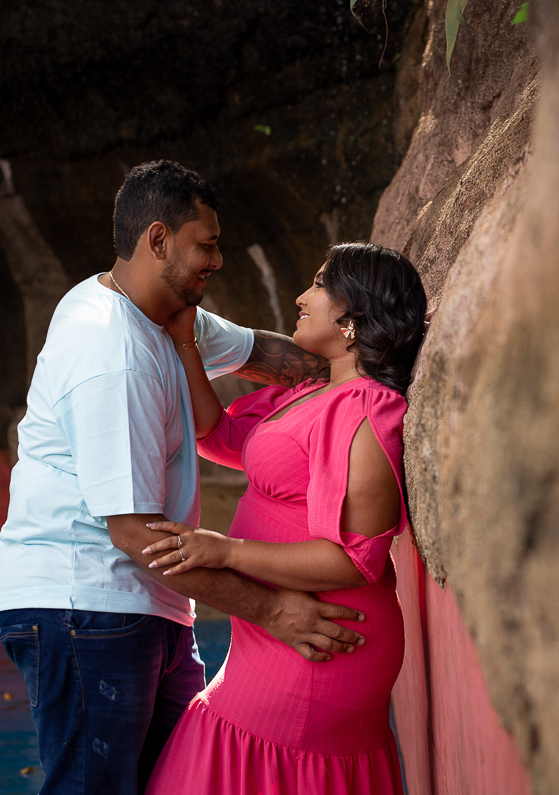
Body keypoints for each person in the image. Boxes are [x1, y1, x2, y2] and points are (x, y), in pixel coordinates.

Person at [0, 160, 366, 795]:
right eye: (207, 244)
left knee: (178, 781)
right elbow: (136, 535)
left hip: (146, 605)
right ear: (158, 240)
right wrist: (272, 609)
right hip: (85, 604)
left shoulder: (166, 317)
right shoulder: (114, 354)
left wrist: (370, 368)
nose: (217, 260)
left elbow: (277, 359)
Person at [141, 242, 426, 795]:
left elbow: (354, 558)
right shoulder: (316, 391)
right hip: (281, 632)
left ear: (353, 319)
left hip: (323, 635)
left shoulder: (366, 409)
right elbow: (218, 435)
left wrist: (224, 551)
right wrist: (183, 341)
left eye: (319, 285)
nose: (301, 296)